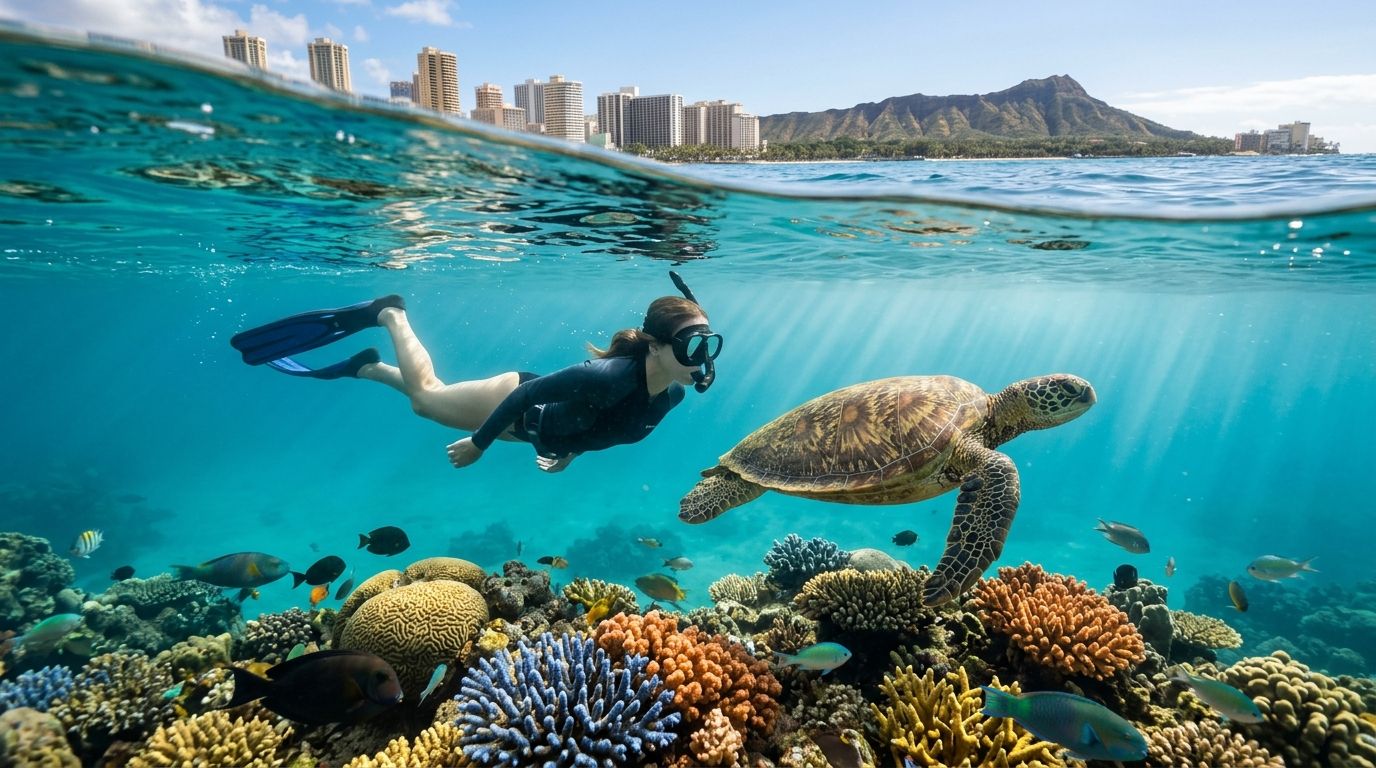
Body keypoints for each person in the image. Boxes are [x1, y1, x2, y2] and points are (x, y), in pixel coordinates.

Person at [230, 272, 722, 472]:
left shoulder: (670, 396)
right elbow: (530, 399)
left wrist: (568, 451)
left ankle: (368, 368)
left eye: (708, 344)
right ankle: (390, 314)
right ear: (655, 346)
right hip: (509, 402)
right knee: (426, 399)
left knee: (428, 401)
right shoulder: (607, 376)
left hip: (530, 433)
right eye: (691, 345)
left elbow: (611, 425)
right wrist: (478, 444)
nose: (702, 357)